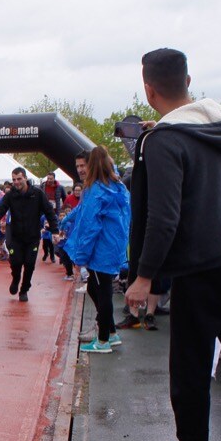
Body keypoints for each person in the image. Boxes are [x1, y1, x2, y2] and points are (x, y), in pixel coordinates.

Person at [120, 48, 221, 441]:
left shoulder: (163, 141)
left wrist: (144, 277)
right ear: (189, 79)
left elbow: (163, 217)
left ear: (148, 89)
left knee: (191, 365)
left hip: (202, 263)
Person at [64, 146, 130, 355]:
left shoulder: (96, 190)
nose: (81, 169)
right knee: (97, 288)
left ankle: (103, 340)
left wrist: (81, 257)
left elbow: (90, 225)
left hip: (102, 249)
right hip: (113, 246)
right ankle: (109, 332)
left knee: (102, 291)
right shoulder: (117, 187)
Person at [0, 167, 57, 302]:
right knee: (16, 262)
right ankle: (15, 278)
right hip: (16, 236)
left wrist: (55, 231)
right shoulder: (10, 195)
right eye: (14, 180)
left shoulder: (37, 193)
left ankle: (24, 289)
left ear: (25, 178)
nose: (16, 182)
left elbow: (49, 212)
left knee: (29, 264)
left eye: (19, 179)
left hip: (32, 237)